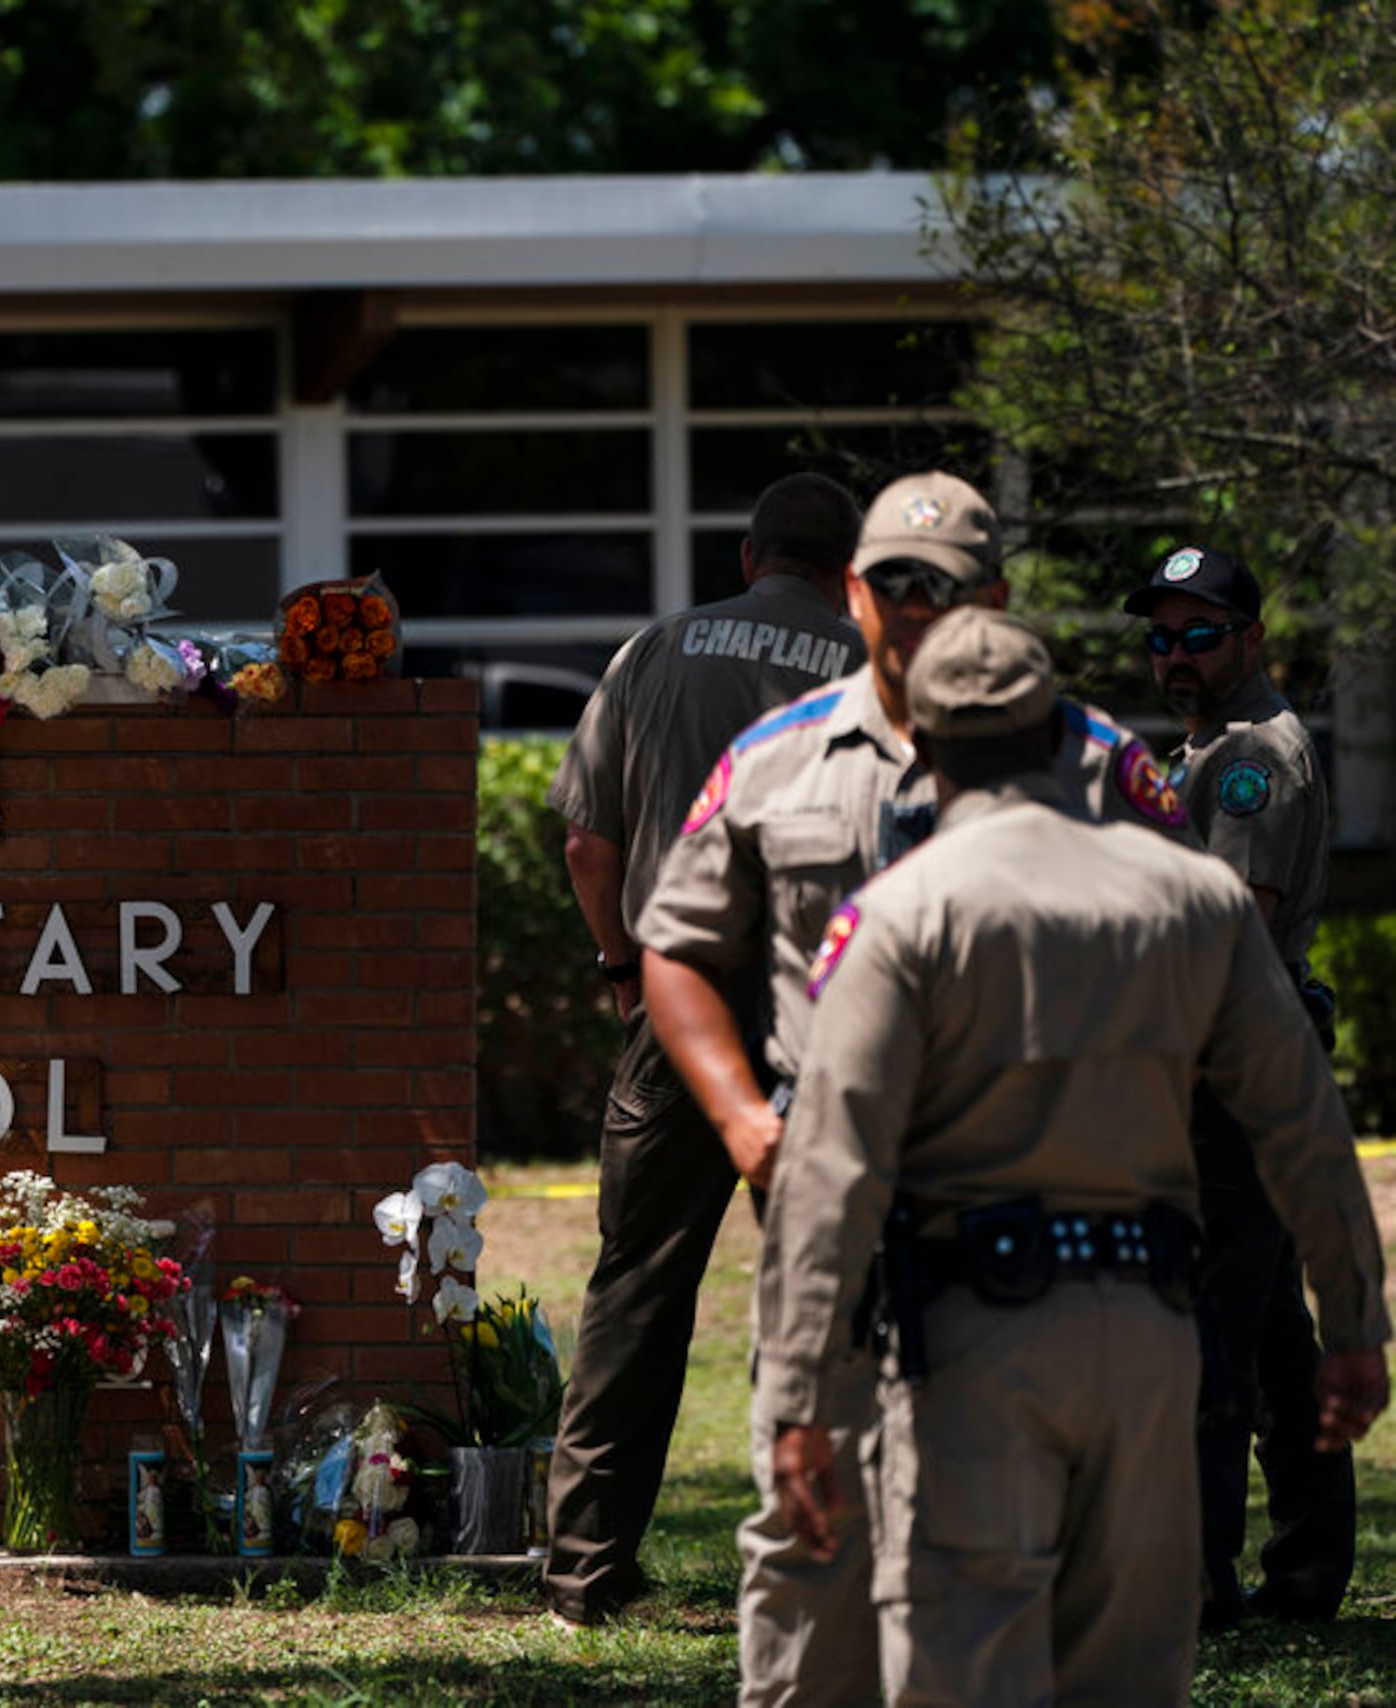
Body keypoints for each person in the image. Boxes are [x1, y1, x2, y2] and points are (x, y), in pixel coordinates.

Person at [634, 471, 1192, 1706]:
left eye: (941, 587)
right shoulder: (776, 760)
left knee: (1021, 1565)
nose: (912, 606)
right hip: (832, 1212)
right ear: (849, 591)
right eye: (890, 582)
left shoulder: (1094, 762)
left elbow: (1198, 947)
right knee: (814, 1537)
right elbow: (671, 944)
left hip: (1036, 1228)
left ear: (992, 598)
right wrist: (739, 1114)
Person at [760, 607, 1387, 1704]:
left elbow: (831, 1172)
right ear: (1060, 734)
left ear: (926, 748)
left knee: (964, 1661)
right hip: (1146, 1343)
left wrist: (805, 1393)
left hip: (969, 1339)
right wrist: (1353, 1325)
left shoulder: (899, 914)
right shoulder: (1195, 901)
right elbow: (1301, 1124)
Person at [540, 472, 864, 1625]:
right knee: (835, 1294)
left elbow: (586, 842)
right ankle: (837, 1566)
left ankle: (582, 1567)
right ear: (847, 566)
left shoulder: (647, 655)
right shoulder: (872, 669)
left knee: (635, 1285)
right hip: (826, 1016)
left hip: (676, 1010)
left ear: (746, 555)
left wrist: (629, 972)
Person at [1123, 544, 1348, 1625]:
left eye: (1198, 633)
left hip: (1228, 1077)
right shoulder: (1210, 745)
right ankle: (1305, 1568)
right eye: (1160, 635)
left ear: (1251, 637)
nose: (1174, 654)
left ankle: (1197, 1582)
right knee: (1263, 1333)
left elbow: (1230, 925)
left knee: (1205, 1331)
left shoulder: (1252, 754)